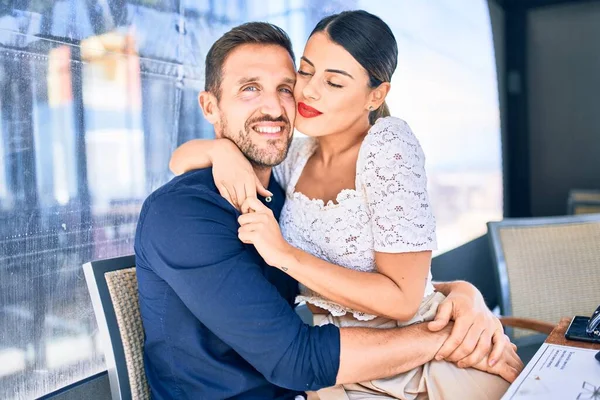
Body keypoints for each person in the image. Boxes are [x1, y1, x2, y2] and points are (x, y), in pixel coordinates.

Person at [137, 19, 522, 400]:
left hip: (335, 372)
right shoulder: (185, 212)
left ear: (375, 95)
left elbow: (388, 283)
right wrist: (217, 150)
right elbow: (297, 358)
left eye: (286, 87)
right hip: (311, 375)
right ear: (209, 106)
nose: (277, 106)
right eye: (250, 89)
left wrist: (462, 293)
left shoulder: (280, 181)